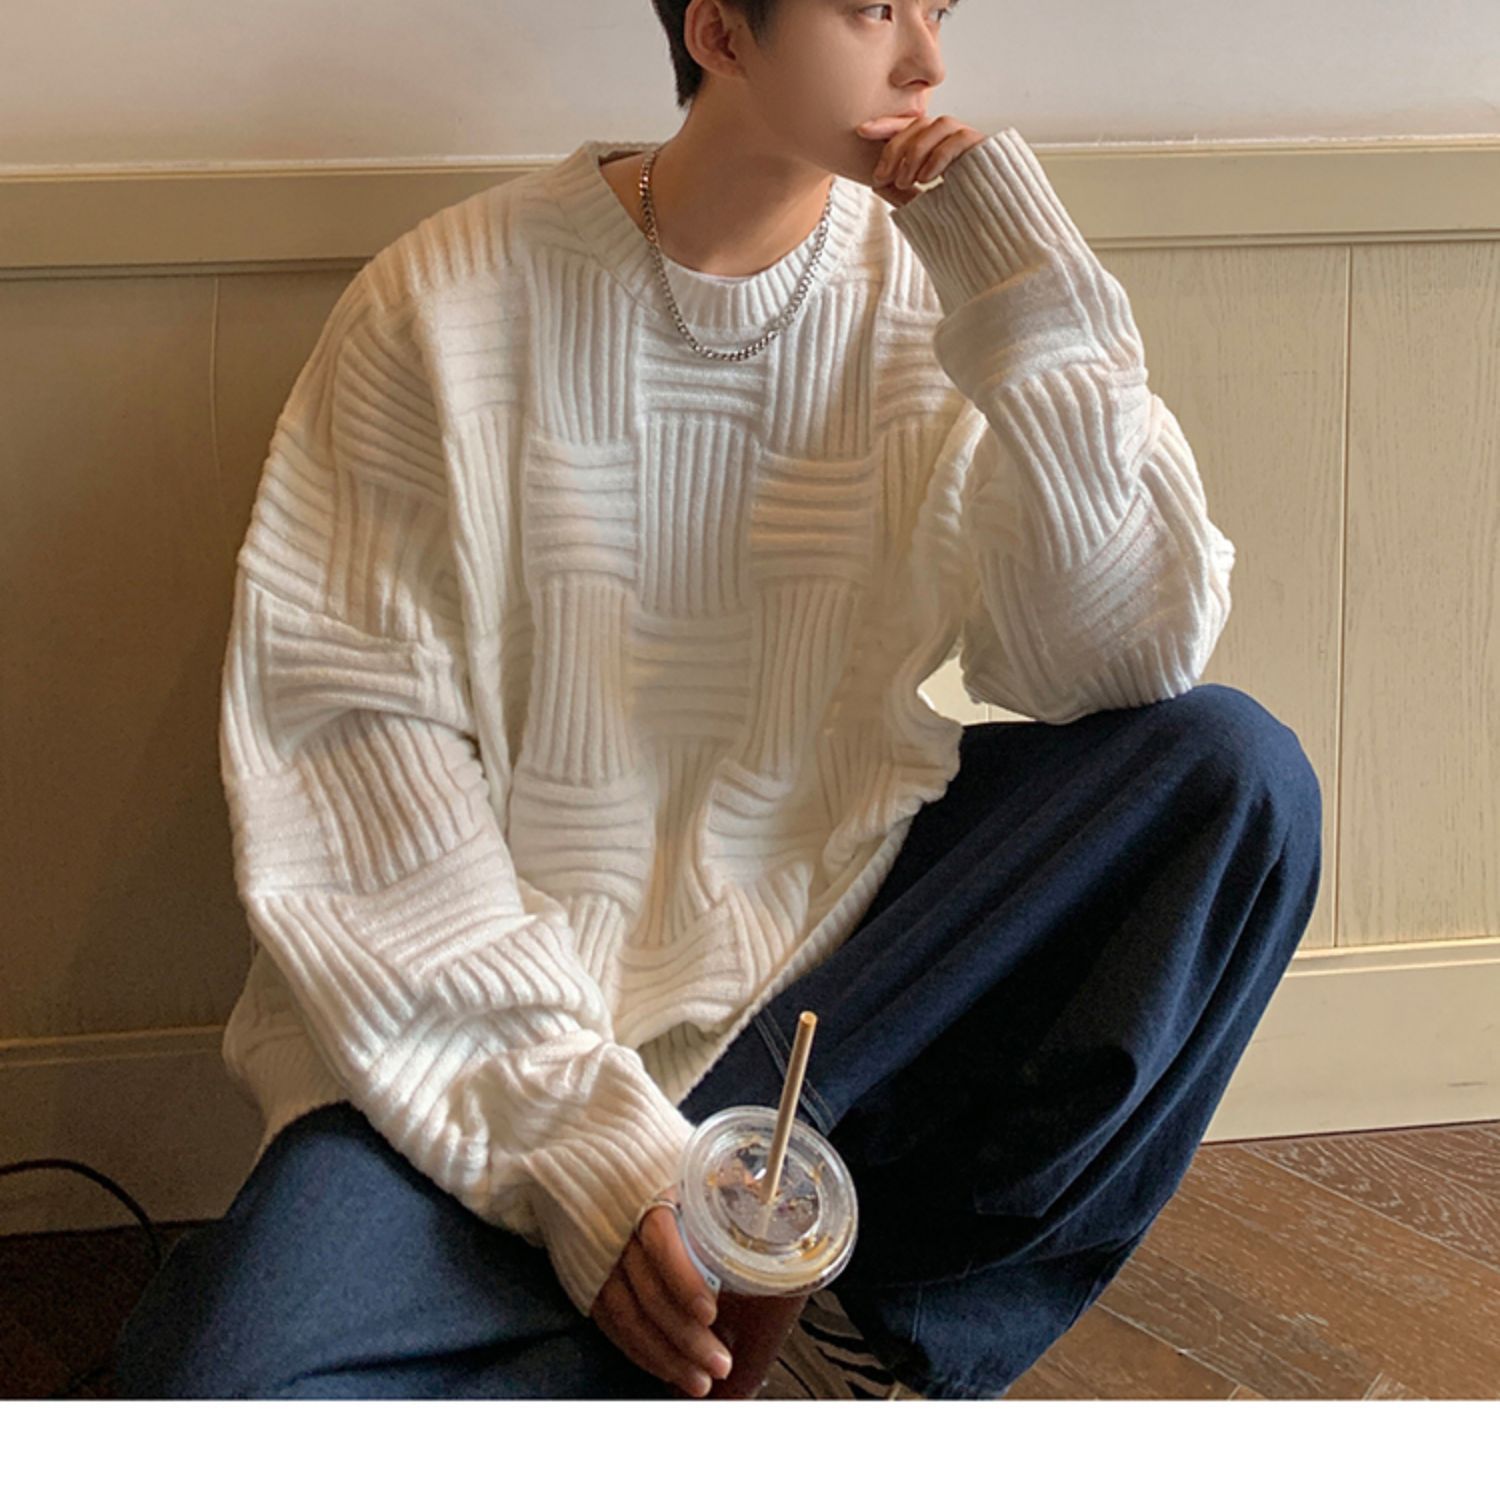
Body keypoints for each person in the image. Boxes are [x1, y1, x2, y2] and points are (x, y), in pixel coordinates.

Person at [114, 0, 1320, 1401]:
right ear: (720, 33)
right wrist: (595, 1160)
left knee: (1234, 774)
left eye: (938, 9)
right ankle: (682, 1309)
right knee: (223, 1397)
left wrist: (1028, 302)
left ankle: (862, 1339)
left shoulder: (942, 296)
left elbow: (1122, 656)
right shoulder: (441, 303)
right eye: (874, 9)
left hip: (830, 994)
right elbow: (358, 779)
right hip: (499, 1043)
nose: (927, 62)